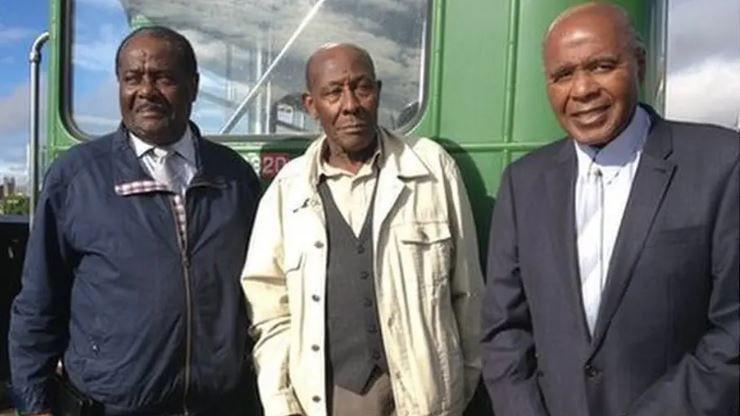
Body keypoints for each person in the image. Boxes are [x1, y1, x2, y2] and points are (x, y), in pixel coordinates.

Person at [482, 3, 739, 416]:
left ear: (639, 64)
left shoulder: (722, 164)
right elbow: (503, 332)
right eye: (563, 75)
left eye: (601, 66)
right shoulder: (523, 183)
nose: (581, 89)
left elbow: (732, 334)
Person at [9, 26, 261, 415]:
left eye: (164, 78)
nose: (146, 92)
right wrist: (36, 403)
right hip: (111, 406)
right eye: (133, 79)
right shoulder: (76, 177)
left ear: (193, 86)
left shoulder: (235, 177)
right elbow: (39, 302)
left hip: (223, 404)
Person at [242, 43, 483, 416]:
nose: (350, 104)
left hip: (426, 398)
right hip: (335, 398)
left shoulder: (432, 169)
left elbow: (468, 295)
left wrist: (457, 389)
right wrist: (282, 404)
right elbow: (270, 313)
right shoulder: (286, 192)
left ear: (378, 92)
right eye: (333, 92)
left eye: (362, 87)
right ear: (311, 106)